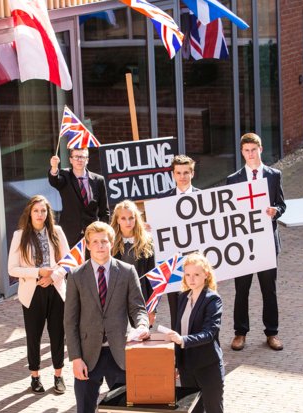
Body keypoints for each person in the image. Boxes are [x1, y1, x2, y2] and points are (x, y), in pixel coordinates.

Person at [64, 221, 150, 413]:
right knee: (85, 409)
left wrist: (143, 325)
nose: (100, 246)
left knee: (123, 409)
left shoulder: (127, 272)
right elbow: (70, 321)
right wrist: (75, 358)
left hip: (119, 353)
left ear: (112, 242)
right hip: (87, 356)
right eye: (94, 241)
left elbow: (138, 308)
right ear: (87, 245)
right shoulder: (76, 276)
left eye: (104, 241)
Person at [227, 133, 286, 351]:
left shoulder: (274, 175)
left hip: (266, 242)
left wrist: (275, 211)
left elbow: (282, 204)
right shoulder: (233, 179)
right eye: (246, 150)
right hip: (243, 244)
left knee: (268, 289)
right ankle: (240, 333)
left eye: (254, 149)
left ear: (260, 149)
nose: (250, 154)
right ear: (242, 152)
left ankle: (272, 333)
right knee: (241, 289)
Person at [8, 195, 70, 394]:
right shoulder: (20, 235)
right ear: (29, 212)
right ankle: (35, 377)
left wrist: (52, 277)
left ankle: (59, 376)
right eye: (36, 210)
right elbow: (12, 269)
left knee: (58, 335)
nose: (40, 214)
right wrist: (38, 273)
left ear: (48, 213)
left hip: (56, 290)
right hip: (32, 292)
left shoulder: (57, 232)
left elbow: (69, 261)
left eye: (43, 211)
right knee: (33, 337)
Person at [167, 252, 224, 413]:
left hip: (208, 366)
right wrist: (176, 363)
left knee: (214, 409)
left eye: (196, 274)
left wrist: (183, 340)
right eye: (187, 275)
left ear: (206, 275)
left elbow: (210, 333)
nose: (191, 279)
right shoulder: (183, 298)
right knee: (192, 410)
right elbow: (179, 330)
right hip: (187, 368)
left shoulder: (212, 299)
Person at [158, 154, 200, 330]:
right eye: (178, 173)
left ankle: (196, 342)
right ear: (173, 175)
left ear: (192, 173)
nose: (182, 176)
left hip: (196, 261)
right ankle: (178, 346)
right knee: (175, 305)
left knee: (198, 303)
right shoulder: (162, 199)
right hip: (172, 261)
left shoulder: (203, 198)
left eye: (186, 172)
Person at [48, 147, 110, 248]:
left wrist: (102, 233)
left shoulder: (98, 180)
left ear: (87, 160)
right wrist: (54, 168)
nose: (79, 160)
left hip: (92, 236)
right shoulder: (65, 175)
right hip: (69, 235)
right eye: (76, 157)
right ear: (70, 160)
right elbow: (55, 181)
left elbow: (104, 212)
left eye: (82, 157)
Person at [111, 200, 156, 326]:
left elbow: (151, 276)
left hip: (140, 298)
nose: (128, 222)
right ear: (117, 220)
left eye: (131, 218)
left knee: (141, 338)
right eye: (123, 218)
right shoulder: (110, 242)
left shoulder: (146, 241)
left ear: (136, 219)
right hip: (117, 300)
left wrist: (152, 308)